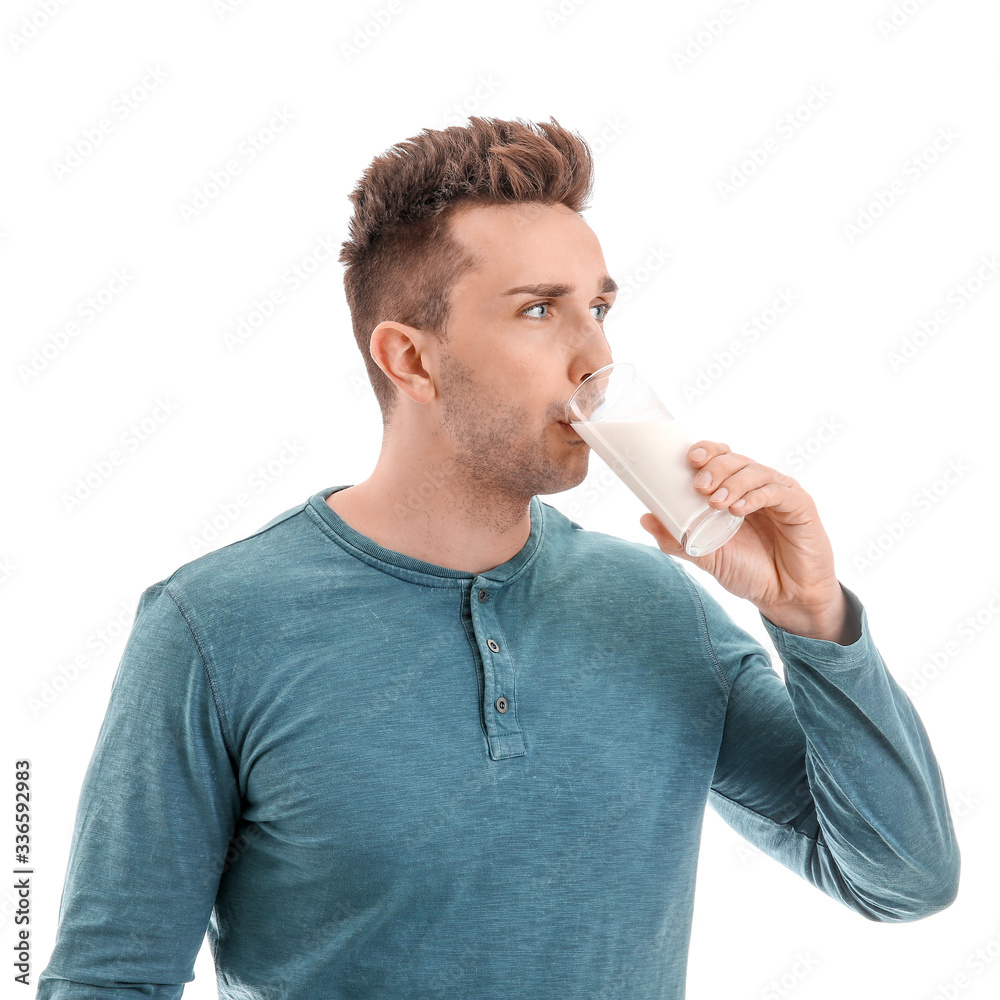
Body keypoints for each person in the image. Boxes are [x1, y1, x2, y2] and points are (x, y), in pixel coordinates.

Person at [37, 116, 960, 1000]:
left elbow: (901, 878)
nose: (594, 355)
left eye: (599, 307)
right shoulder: (214, 627)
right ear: (411, 360)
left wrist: (812, 620)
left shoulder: (657, 604)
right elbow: (110, 980)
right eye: (538, 311)